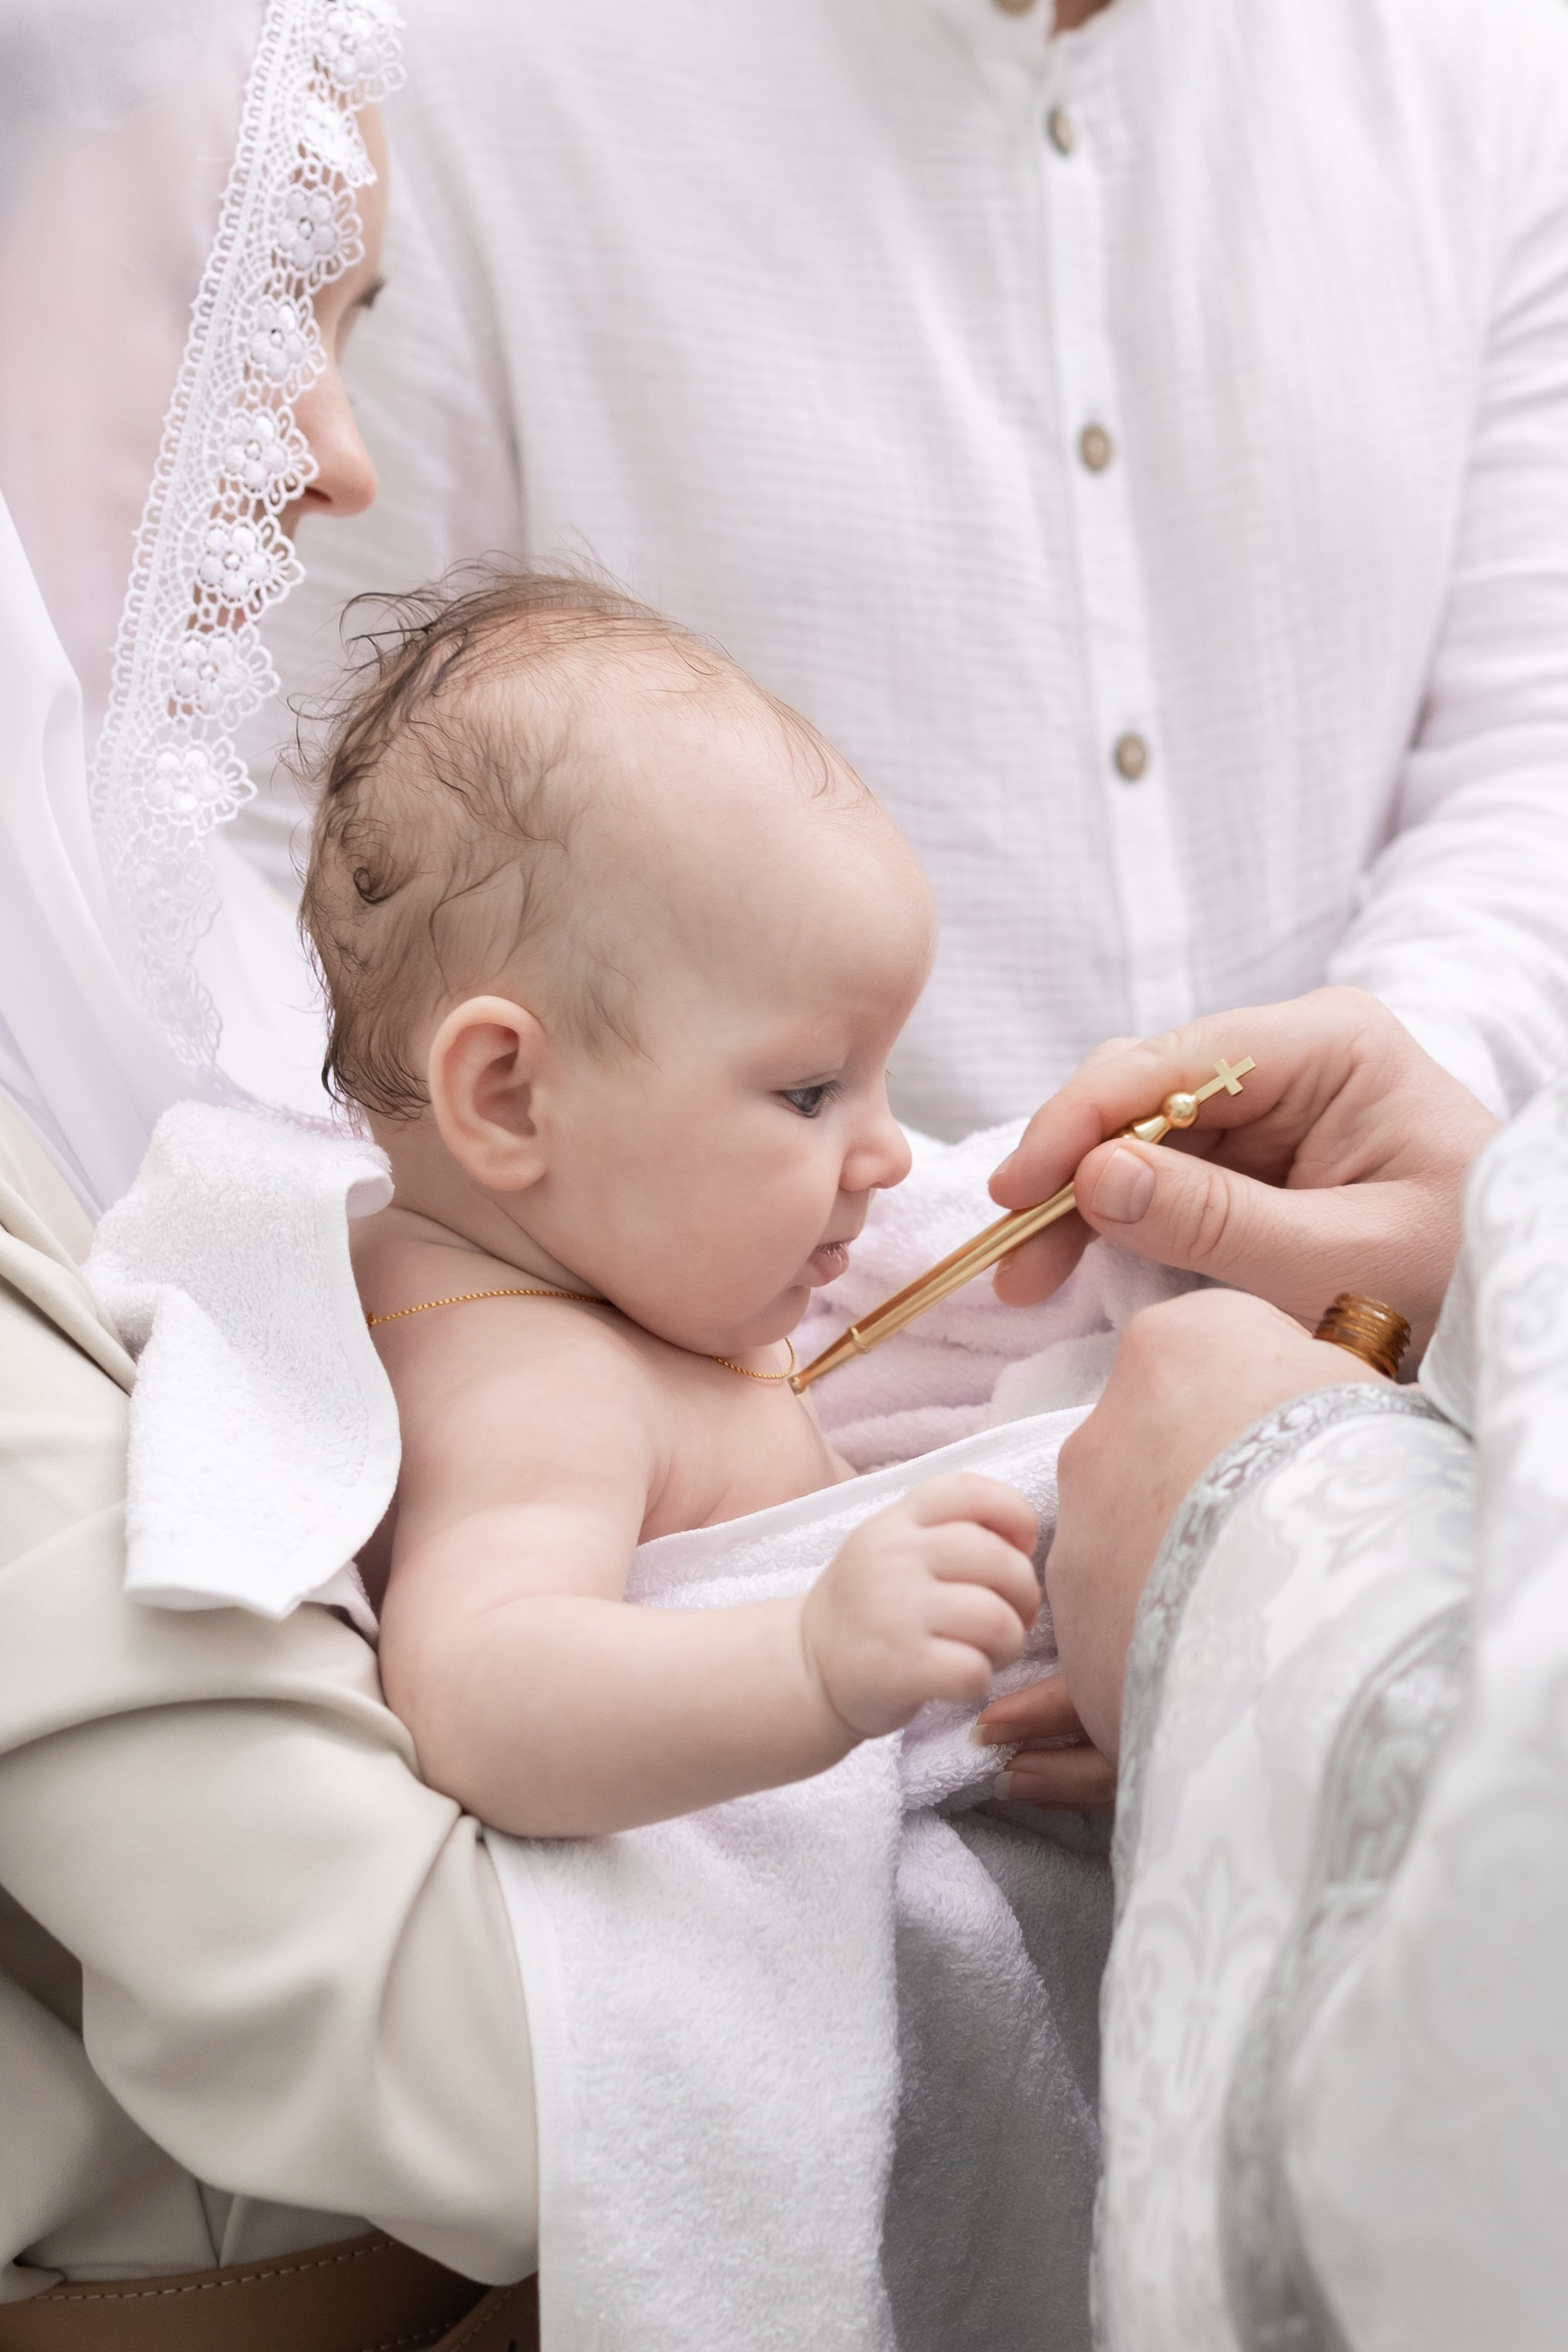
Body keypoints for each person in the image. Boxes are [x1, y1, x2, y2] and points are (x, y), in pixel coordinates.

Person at [245, 0, 1568, 1141]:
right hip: (721, 1390)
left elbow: (1531, 746)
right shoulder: (446, 72)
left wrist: (1400, 1111)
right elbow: (294, 834)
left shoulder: (1493, 59)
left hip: (1407, 1345)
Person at [300, 570, 1043, 1836]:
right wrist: (807, 1663)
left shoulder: (612, 1272)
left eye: (880, 1080)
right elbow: (476, 1690)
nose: (889, 1158)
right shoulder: (530, 1381)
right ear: (511, 1099)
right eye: (812, 1092)